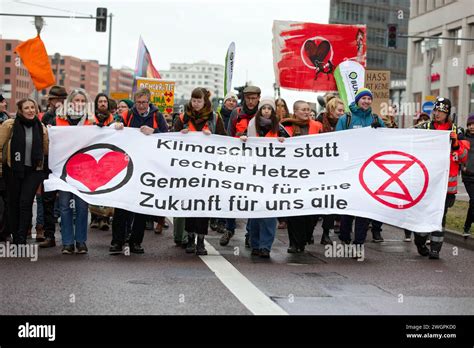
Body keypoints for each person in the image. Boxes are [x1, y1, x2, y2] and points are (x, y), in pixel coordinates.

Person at [109, 88, 168, 255]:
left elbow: (167, 137)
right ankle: (117, 242)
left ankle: (136, 241)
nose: (141, 106)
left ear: (149, 101)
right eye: (138, 102)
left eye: (144, 102)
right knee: (121, 205)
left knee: (141, 206)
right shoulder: (127, 115)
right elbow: (110, 128)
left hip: (147, 167)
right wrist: (117, 126)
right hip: (127, 166)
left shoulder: (158, 116)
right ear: (134, 102)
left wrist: (154, 132)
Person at [407, 97, 467, 259]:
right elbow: (405, 138)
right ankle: (420, 241)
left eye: (441, 111)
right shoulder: (424, 127)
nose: (437, 114)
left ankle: (435, 248)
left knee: (440, 216)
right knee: (423, 214)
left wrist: (456, 144)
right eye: (436, 110)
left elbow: (464, 157)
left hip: (447, 185)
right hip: (426, 183)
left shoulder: (458, 131)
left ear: (447, 113)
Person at [174, 87, 226, 255]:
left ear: (205, 102)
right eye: (194, 100)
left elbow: (224, 140)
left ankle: (201, 240)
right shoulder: (182, 117)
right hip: (187, 168)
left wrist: (211, 137)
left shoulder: (215, 118)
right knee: (189, 203)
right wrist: (180, 135)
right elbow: (170, 139)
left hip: (207, 169)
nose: (195, 104)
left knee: (203, 205)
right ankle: (189, 238)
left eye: (199, 101)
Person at [335, 88, 385, 249]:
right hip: (350, 170)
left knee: (365, 207)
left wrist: (381, 130)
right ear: (357, 101)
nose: (366, 101)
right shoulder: (346, 118)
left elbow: (387, 141)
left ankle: (359, 242)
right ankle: (344, 234)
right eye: (363, 98)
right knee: (350, 205)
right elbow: (337, 141)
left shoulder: (376, 118)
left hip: (370, 170)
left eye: (369, 99)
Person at [240, 97, 288, 258]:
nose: (267, 110)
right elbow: (238, 142)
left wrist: (283, 142)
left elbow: (292, 147)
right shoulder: (251, 125)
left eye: (270, 108)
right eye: (264, 108)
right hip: (254, 174)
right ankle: (255, 243)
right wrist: (243, 139)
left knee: (269, 212)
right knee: (255, 212)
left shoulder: (279, 128)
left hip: (273, 176)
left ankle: (265, 246)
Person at [0, 98, 48, 245]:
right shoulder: (10, 124)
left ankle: (21, 237)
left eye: (32, 107)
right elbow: (0, 147)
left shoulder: (41, 127)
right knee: (13, 203)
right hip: (13, 170)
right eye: (26, 108)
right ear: (20, 110)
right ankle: (15, 234)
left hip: (33, 171)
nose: (30, 110)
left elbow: (45, 150)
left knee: (25, 202)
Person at [55, 89, 97, 254]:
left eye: (82, 101)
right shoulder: (59, 119)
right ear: (70, 102)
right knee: (65, 206)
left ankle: (80, 241)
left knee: (81, 206)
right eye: (76, 101)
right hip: (63, 168)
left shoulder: (91, 121)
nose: (79, 104)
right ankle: (67, 243)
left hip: (83, 169)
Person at [281, 101, 323, 253]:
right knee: (295, 210)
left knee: (311, 211)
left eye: (308, 109)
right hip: (293, 174)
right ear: (295, 111)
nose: (306, 112)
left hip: (313, 174)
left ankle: (305, 237)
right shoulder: (285, 126)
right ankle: (294, 243)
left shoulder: (318, 126)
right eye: (303, 110)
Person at [225, 86, 261, 248]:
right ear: (244, 98)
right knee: (233, 195)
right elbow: (228, 136)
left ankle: (249, 232)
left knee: (252, 198)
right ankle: (229, 227)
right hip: (238, 160)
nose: (251, 101)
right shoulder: (237, 113)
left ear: (258, 98)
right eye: (248, 98)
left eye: (254, 98)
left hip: (257, 163)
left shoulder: (264, 113)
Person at [38, 86, 68, 248]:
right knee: (47, 200)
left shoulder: (72, 116)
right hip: (49, 163)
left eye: (62, 100)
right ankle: (49, 235)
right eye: (57, 100)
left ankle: (67, 237)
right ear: (50, 101)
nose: (59, 103)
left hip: (67, 164)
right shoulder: (46, 118)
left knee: (66, 202)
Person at [315, 95, 345, 244]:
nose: (341, 113)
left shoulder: (345, 123)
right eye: (339, 110)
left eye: (343, 111)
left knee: (330, 202)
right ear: (331, 109)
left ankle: (326, 233)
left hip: (336, 168)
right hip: (319, 168)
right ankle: (308, 231)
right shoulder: (319, 122)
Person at [89, 93, 116, 232]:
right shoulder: (89, 119)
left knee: (105, 188)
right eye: (100, 101)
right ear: (96, 104)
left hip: (107, 158)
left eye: (105, 101)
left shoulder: (114, 120)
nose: (103, 104)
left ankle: (105, 218)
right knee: (93, 188)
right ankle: (95, 218)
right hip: (93, 158)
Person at [461, 113, 474, 238]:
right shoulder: (463, 138)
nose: (472, 127)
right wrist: (462, 166)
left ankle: (467, 226)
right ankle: (467, 227)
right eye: (470, 124)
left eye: (473, 124)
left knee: (473, 202)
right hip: (468, 175)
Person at [0, 94, 10, 242]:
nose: (5, 103)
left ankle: (3, 231)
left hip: (6, 168)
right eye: (2, 101)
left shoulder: (8, 120)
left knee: (5, 200)